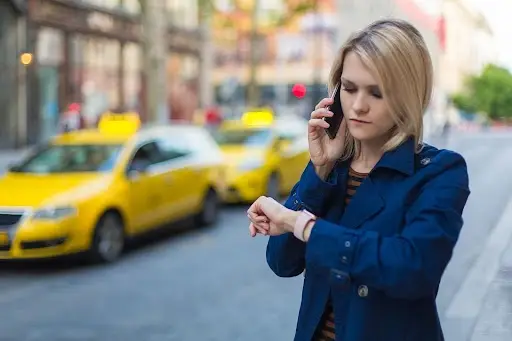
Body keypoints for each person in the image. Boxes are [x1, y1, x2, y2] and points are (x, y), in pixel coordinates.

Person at [246, 19, 470, 341]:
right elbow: (282, 261)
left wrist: (302, 225)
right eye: (349, 88)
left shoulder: (438, 171)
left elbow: (413, 268)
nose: (358, 105)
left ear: (407, 96)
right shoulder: (333, 170)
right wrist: (319, 169)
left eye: (376, 93)